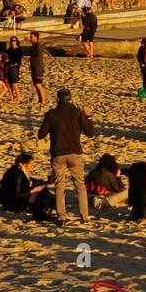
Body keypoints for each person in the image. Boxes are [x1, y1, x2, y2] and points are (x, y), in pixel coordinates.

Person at [37, 89, 96, 224]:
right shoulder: (77, 114)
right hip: (75, 152)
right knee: (80, 185)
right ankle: (84, 217)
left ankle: (62, 216)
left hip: (58, 154)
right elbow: (90, 133)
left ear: (58, 99)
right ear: (70, 99)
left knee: (59, 185)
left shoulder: (52, 114)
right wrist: (88, 116)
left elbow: (40, 135)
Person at [0, 152, 53, 218]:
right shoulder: (18, 175)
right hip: (12, 205)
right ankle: (42, 212)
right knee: (43, 193)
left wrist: (46, 182)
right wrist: (33, 191)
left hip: (10, 202)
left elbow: (31, 182)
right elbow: (17, 195)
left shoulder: (16, 170)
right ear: (24, 164)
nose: (32, 167)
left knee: (41, 187)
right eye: (31, 165)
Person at [27, 31, 46, 104]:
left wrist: (30, 58)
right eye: (30, 37)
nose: (30, 38)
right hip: (35, 67)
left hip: (38, 68)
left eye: (31, 37)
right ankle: (40, 100)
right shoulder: (33, 46)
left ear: (36, 38)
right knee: (36, 85)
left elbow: (39, 56)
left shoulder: (38, 46)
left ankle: (43, 101)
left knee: (38, 85)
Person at [4, 35, 23, 102]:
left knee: (15, 83)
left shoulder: (19, 49)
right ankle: (12, 97)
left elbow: (19, 60)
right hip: (8, 67)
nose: (13, 42)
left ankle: (18, 98)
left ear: (17, 41)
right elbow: (5, 58)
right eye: (12, 40)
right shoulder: (9, 50)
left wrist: (14, 64)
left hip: (14, 68)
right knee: (9, 83)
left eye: (14, 40)